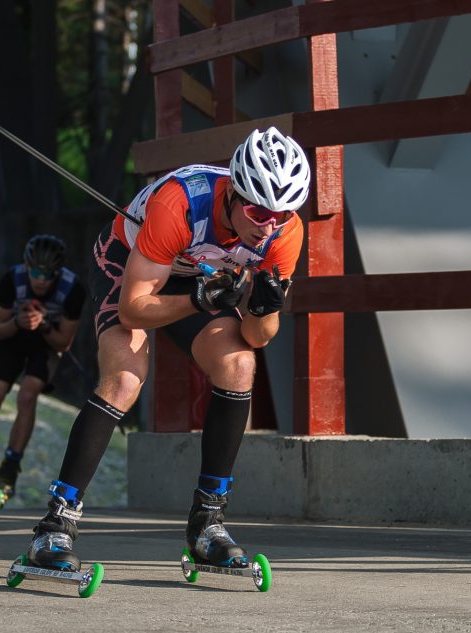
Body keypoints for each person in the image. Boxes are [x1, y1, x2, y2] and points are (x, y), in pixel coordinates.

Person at [23, 126, 310, 571]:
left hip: (195, 276)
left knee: (239, 364)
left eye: (282, 213)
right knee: (124, 379)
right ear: (234, 194)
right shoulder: (180, 203)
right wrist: (200, 299)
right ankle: (55, 526)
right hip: (130, 264)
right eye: (257, 211)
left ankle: (208, 523)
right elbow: (134, 310)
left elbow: (259, 336)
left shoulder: (285, 233)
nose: (268, 225)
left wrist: (264, 307)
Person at [0, 235, 85, 509]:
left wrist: (43, 324)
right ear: (26, 266)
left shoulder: (73, 289)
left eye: (48, 275)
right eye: (35, 273)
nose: (41, 280)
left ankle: (10, 467)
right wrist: (18, 322)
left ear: (58, 273)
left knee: (28, 395)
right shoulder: (12, 279)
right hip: (11, 338)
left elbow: (63, 343)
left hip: (46, 343)